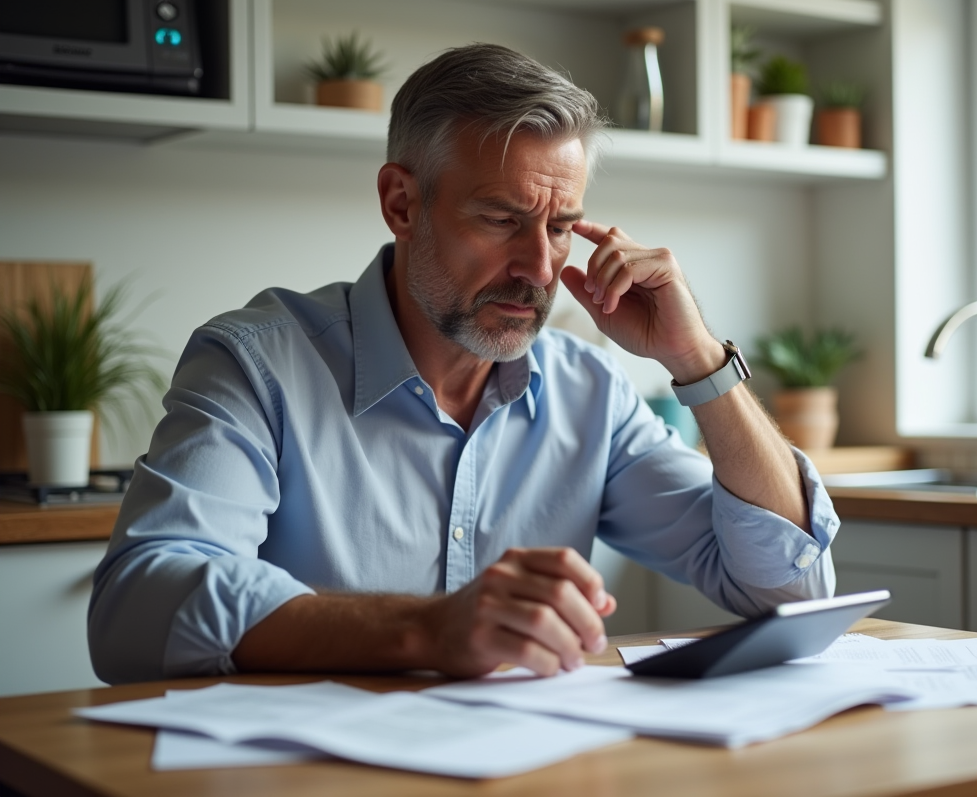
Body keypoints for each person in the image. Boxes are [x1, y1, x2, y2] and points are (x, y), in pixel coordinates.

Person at [88, 43, 839, 683]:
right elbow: (137, 610)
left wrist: (698, 358)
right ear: (401, 204)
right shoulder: (259, 365)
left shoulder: (588, 393)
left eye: (562, 226)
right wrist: (427, 629)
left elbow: (787, 587)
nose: (540, 269)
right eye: (502, 219)